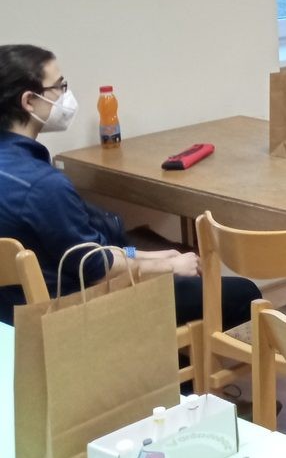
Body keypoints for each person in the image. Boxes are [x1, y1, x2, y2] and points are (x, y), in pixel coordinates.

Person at [0, 44, 259, 328]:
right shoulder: (43, 186)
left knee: (155, 252)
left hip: (12, 317)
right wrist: (169, 266)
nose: (66, 95)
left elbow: (92, 249)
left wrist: (149, 255)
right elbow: (97, 268)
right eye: (59, 87)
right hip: (74, 315)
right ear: (29, 101)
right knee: (243, 293)